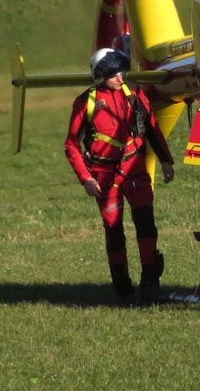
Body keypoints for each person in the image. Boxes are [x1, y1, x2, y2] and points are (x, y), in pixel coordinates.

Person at [65, 49, 176, 305]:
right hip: (103, 176)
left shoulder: (135, 95)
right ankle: (121, 284)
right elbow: (71, 145)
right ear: (101, 74)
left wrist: (166, 160)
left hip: (135, 169)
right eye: (115, 73)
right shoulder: (86, 103)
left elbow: (151, 128)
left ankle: (150, 278)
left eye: (121, 72)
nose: (120, 77)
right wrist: (85, 179)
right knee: (113, 230)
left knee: (145, 222)